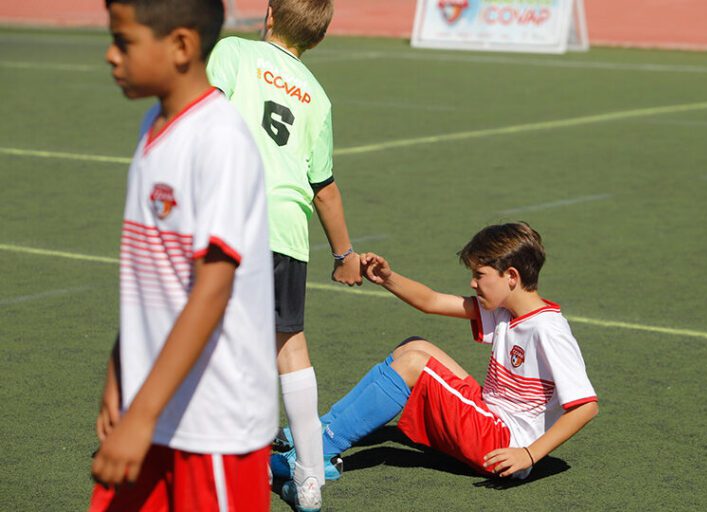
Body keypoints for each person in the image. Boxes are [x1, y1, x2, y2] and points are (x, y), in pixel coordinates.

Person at [90, 1, 277, 510]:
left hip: (213, 423)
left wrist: (142, 415)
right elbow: (157, 282)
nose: (110, 55)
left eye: (124, 41)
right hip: (153, 402)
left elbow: (212, 290)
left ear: (180, 46)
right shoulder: (154, 123)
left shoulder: (219, 141)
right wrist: (119, 370)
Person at [280, 222, 599, 480]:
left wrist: (528, 454)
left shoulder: (548, 330)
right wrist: (387, 279)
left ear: (511, 276)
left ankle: (315, 452)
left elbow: (586, 407)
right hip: (492, 419)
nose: (473, 284)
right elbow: (431, 302)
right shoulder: (506, 310)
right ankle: (315, 430)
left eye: (479, 275)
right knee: (415, 347)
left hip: (504, 446)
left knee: (415, 363)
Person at [206, 1, 360, 509]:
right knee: (289, 347)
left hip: (230, 217)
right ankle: (310, 477)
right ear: (315, 39)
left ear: (269, 15)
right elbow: (325, 189)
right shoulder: (317, 95)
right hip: (287, 231)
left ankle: (213, 459)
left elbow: (201, 116)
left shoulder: (234, 53)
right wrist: (345, 254)